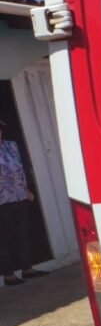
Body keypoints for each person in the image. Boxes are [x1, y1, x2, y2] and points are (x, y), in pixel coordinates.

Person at [0, 120, 47, 287]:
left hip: (19, 195)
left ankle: (27, 268)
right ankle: (8, 275)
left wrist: (26, 189)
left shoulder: (10, 146)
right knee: (4, 238)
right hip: (2, 200)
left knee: (23, 233)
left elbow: (20, 168)